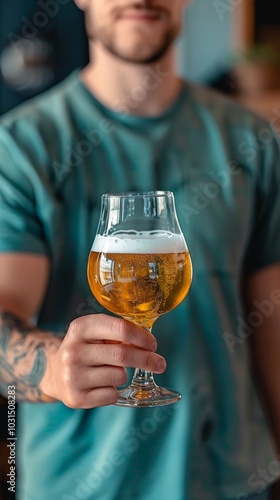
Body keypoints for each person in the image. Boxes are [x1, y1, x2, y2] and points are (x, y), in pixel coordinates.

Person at [0, 1, 280, 499]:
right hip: (77, 485)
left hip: (234, 479)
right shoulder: (21, 147)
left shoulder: (253, 141)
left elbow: (272, 325)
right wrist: (54, 367)